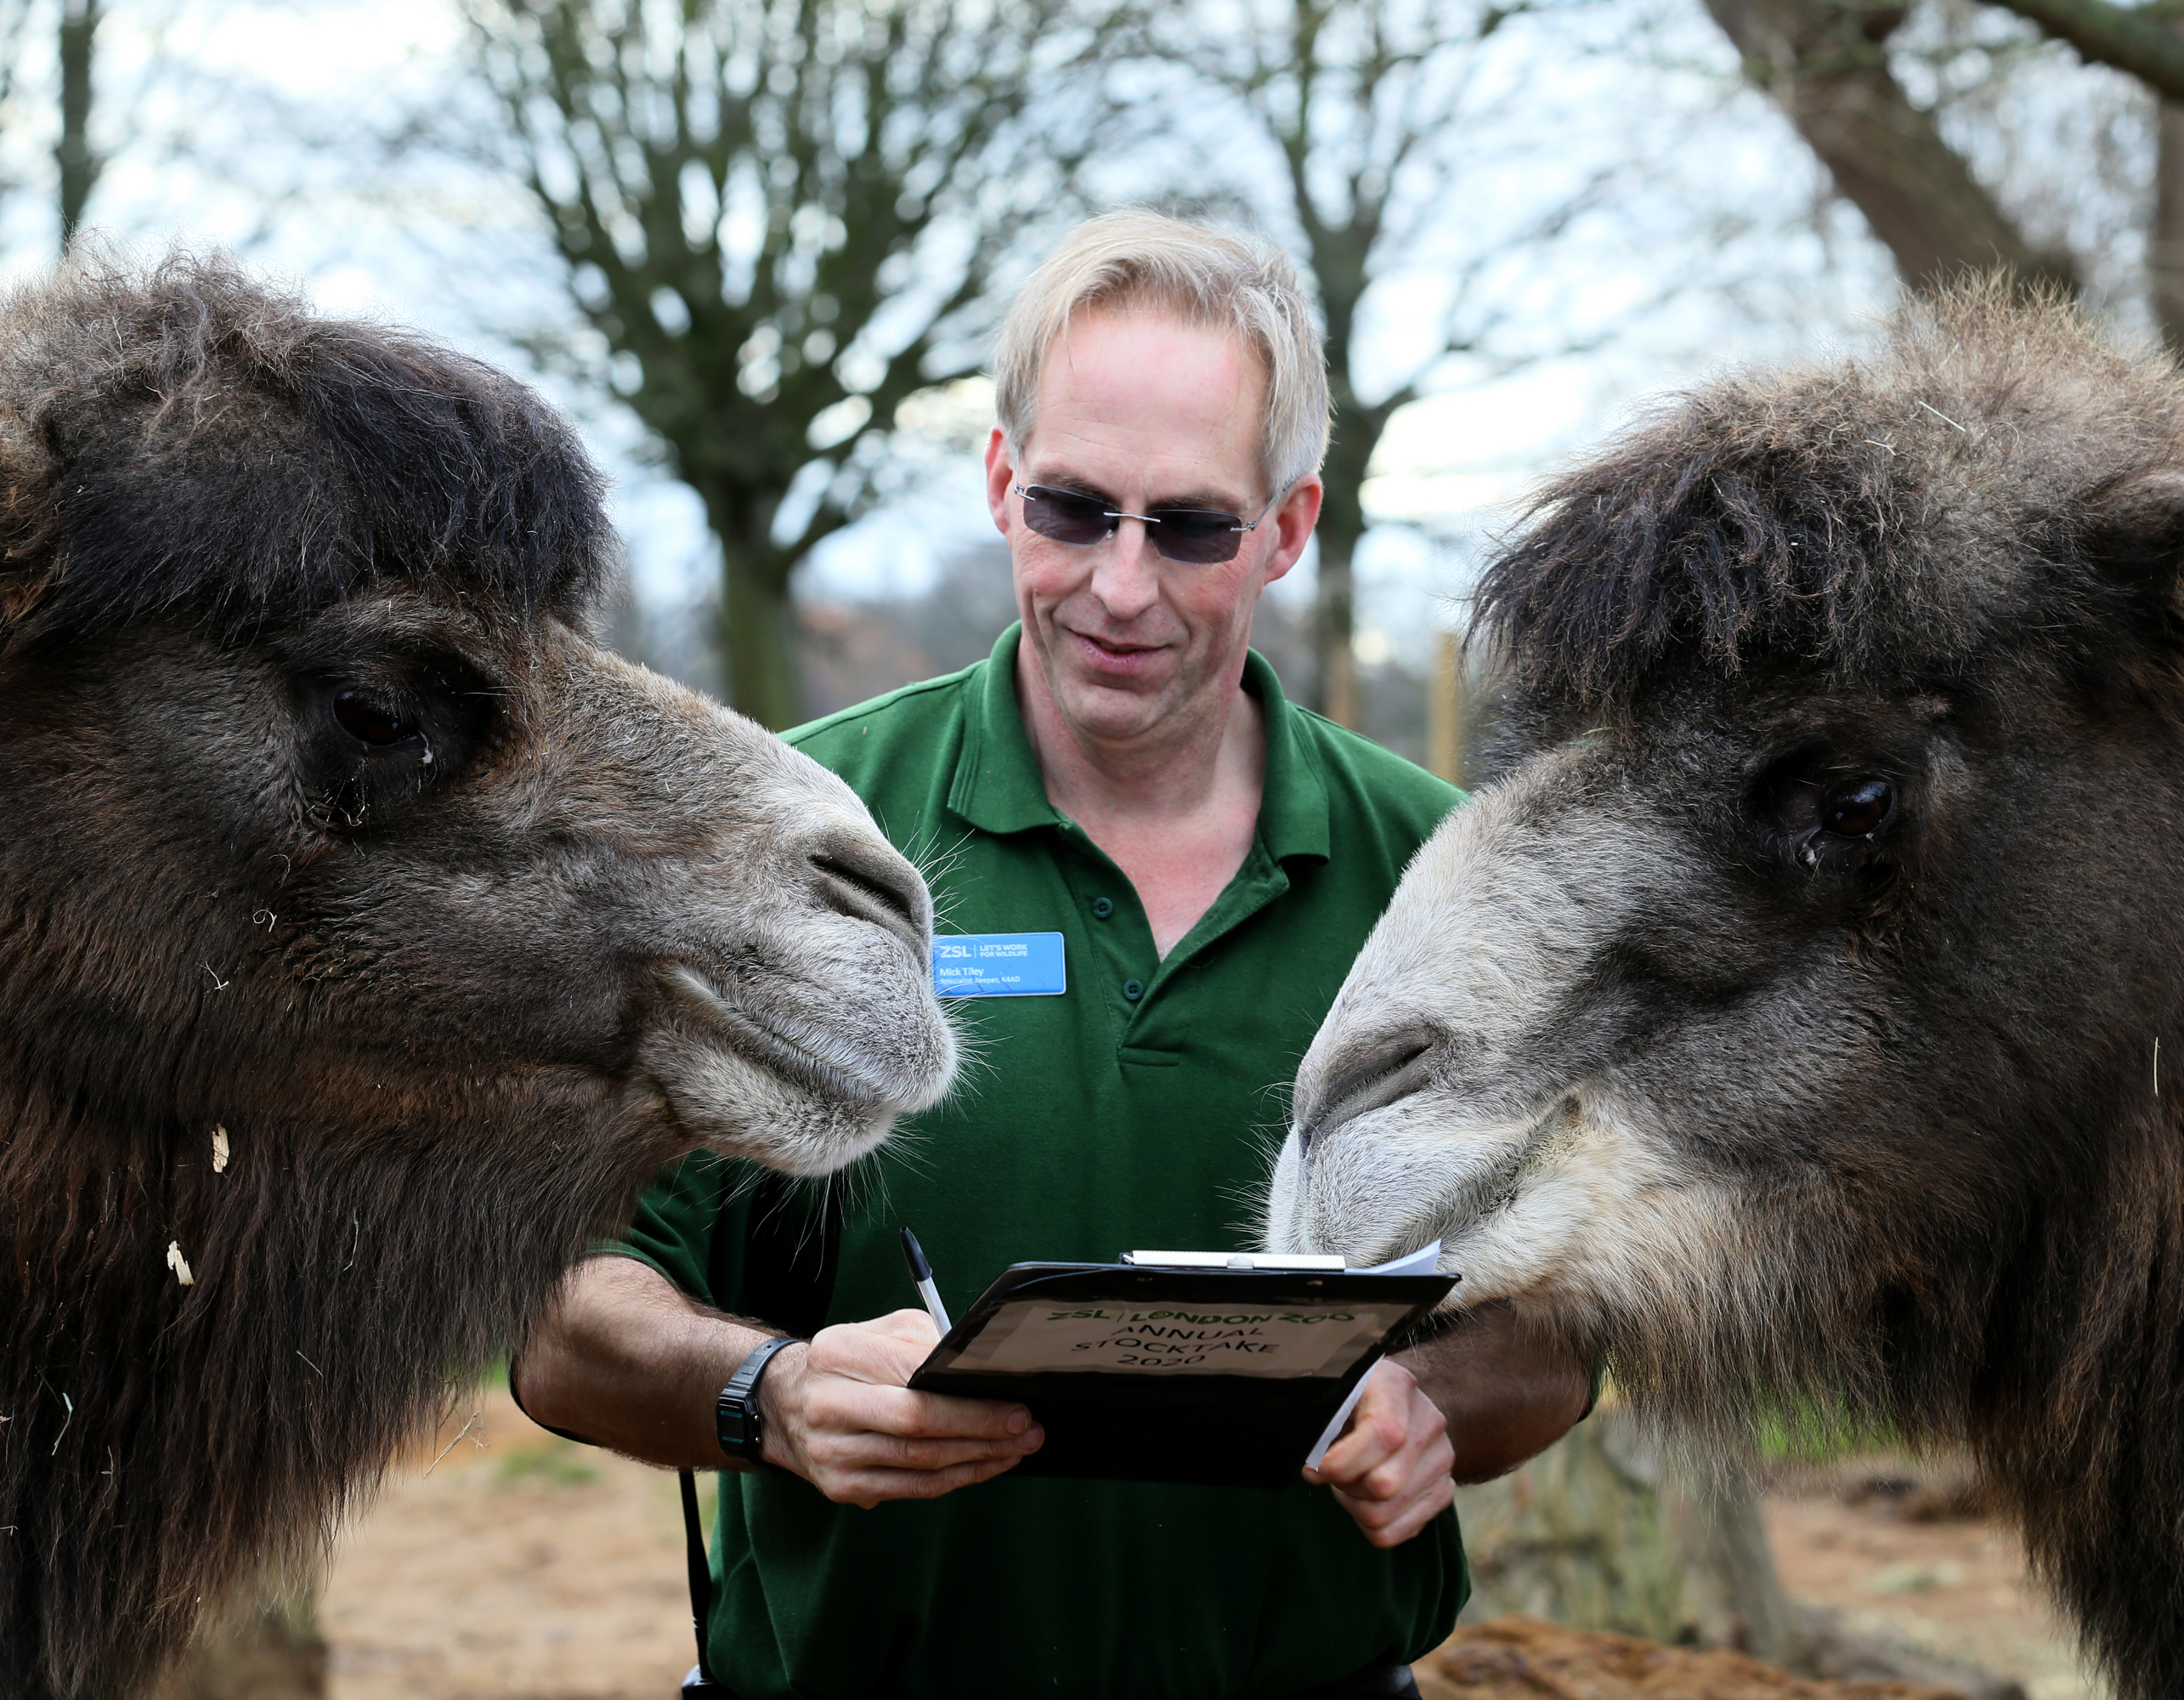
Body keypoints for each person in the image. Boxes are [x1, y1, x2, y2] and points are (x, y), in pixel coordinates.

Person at [514, 211, 1593, 1700]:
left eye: (1195, 527)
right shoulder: (797, 845)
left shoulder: (1446, 874)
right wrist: (772, 1395)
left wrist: (1435, 1403)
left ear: (1288, 526)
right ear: (1003, 484)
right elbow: (560, 1308)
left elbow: (1560, 1325)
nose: (1122, 589)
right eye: (1076, 509)